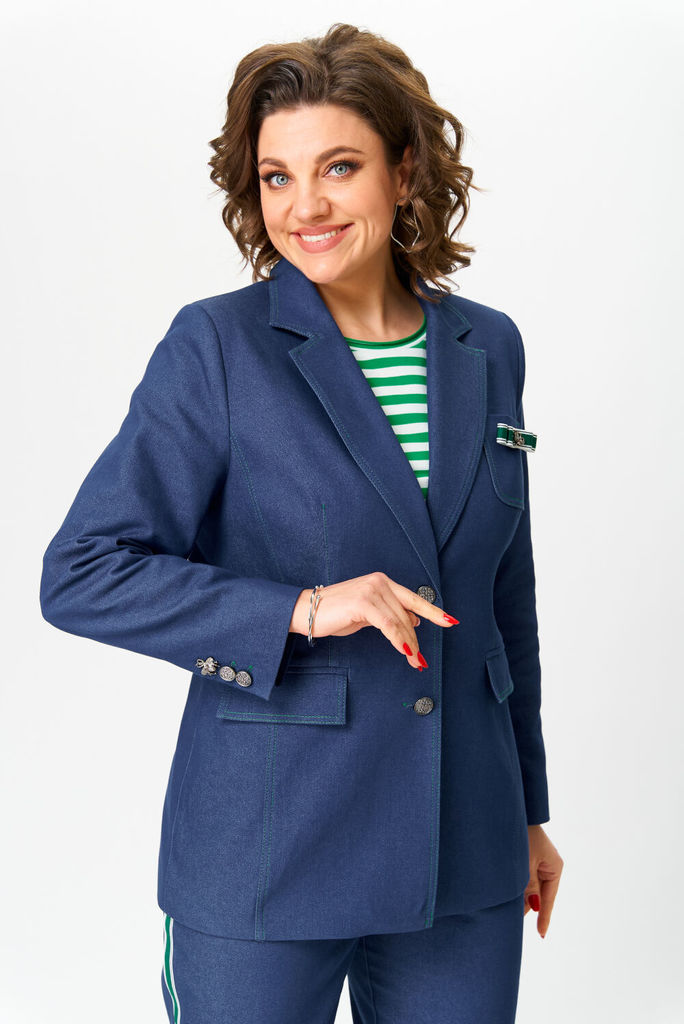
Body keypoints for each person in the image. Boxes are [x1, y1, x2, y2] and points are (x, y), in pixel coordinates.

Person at [40, 21, 564, 1024]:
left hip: (467, 851)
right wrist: (305, 609)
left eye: (338, 167)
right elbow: (84, 571)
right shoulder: (217, 346)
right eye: (276, 177)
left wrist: (527, 813)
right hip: (269, 850)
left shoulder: (488, 345)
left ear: (404, 171)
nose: (305, 206)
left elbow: (507, 602)